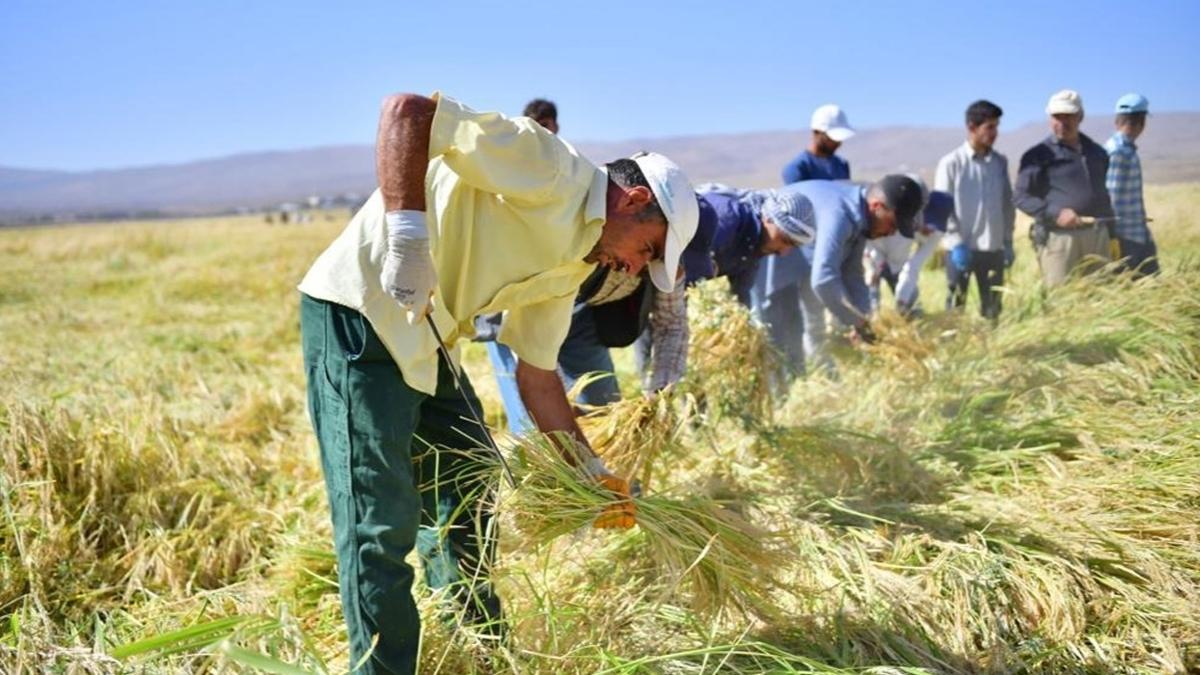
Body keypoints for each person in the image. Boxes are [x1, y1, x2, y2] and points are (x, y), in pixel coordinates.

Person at [297, 92, 699, 674]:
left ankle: (482, 651)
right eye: (647, 249)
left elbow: (537, 378)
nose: (635, 269)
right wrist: (407, 236)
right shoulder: (550, 167)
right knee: (378, 523)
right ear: (634, 201)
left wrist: (590, 471)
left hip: (428, 337)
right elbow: (408, 111)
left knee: (469, 485)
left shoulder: (574, 266)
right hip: (360, 315)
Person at [496, 187, 810, 433]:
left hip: (593, 314)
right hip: (531, 308)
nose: (665, 264)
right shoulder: (579, 238)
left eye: (672, 258)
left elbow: (672, 323)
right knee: (538, 416)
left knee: (602, 407)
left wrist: (658, 394)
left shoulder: (668, 263)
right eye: (655, 250)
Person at [765, 176, 924, 369]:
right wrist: (857, 322)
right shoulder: (839, 214)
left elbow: (852, 274)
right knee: (777, 337)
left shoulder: (860, 219)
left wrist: (866, 320)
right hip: (770, 258)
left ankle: (820, 378)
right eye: (893, 224)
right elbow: (823, 280)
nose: (892, 233)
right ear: (876, 206)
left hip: (801, 261)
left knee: (809, 328)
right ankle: (786, 390)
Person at [753, 104, 856, 377]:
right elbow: (797, 217)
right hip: (808, 252)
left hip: (835, 249)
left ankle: (830, 361)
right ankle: (820, 367)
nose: (837, 143)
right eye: (833, 137)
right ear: (817, 132)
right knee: (812, 313)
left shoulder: (840, 165)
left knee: (831, 310)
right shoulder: (797, 169)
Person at [1015, 90, 1114, 288]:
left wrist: (1113, 234)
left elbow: (1103, 194)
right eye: (1056, 116)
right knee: (1062, 302)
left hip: (1098, 236)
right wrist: (1056, 213)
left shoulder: (1097, 152)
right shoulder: (1036, 156)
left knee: (1103, 299)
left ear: (1080, 117)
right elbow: (1020, 197)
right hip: (1058, 240)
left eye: (1068, 116)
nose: (1062, 122)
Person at [935, 99, 1016, 319]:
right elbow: (942, 207)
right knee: (956, 310)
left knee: (993, 311)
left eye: (997, 127)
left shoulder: (999, 163)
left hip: (993, 249)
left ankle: (993, 351)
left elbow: (1007, 204)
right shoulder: (951, 163)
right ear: (972, 127)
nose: (995, 133)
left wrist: (1007, 240)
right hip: (961, 250)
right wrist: (956, 242)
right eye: (989, 127)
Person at [865, 188, 954, 316]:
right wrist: (876, 265)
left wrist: (902, 300)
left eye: (934, 226)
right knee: (871, 289)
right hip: (875, 252)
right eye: (926, 225)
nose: (929, 230)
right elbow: (870, 239)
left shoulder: (936, 234)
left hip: (898, 263)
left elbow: (913, 266)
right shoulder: (897, 217)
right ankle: (870, 320)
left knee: (913, 308)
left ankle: (910, 312)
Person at [1105, 93, 1159, 277]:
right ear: (1141, 122)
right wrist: (1113, 237)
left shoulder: (1123, 148)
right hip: (1126, 238)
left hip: (1136, 233)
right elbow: (1112, 197)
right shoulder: (1119, 152)